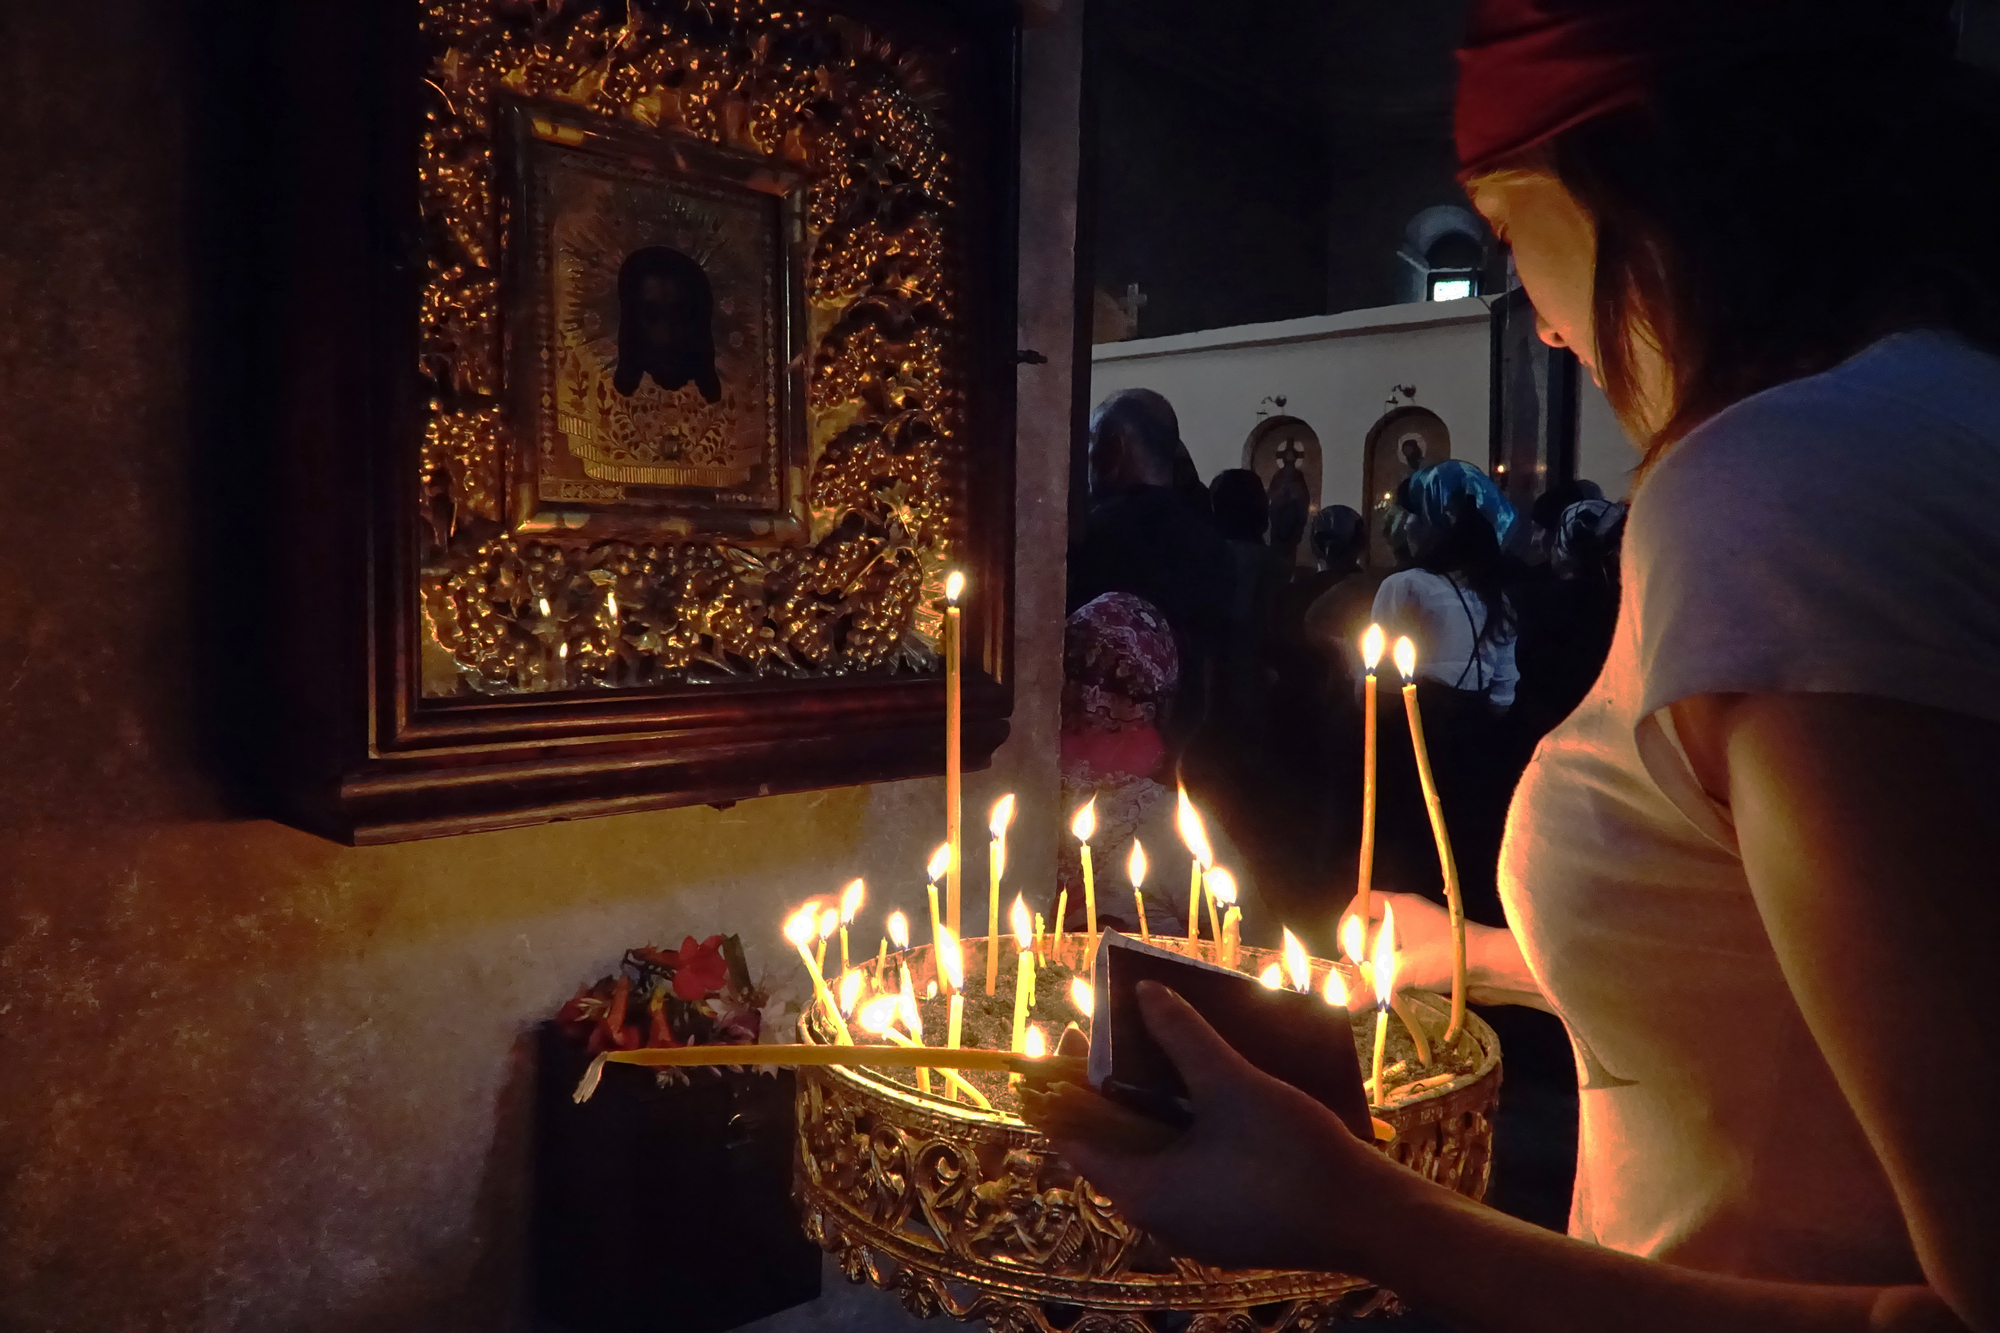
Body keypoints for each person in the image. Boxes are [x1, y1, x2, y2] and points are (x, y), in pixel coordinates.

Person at [1037, 2, 2000, 1329]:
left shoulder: (1790, 489)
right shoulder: (1937, 422)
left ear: (1627, 174)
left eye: (1504, 240)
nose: (1542, 326)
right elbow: (1827, 976)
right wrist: (1484, 954)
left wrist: (1355, 1211)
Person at [1069, 389, 1230, 746]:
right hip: (1186, 742)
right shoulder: (1212, 541)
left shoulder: (1094, 537)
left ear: (1114, 446)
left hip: (1097, 744)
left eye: (1092, 443)